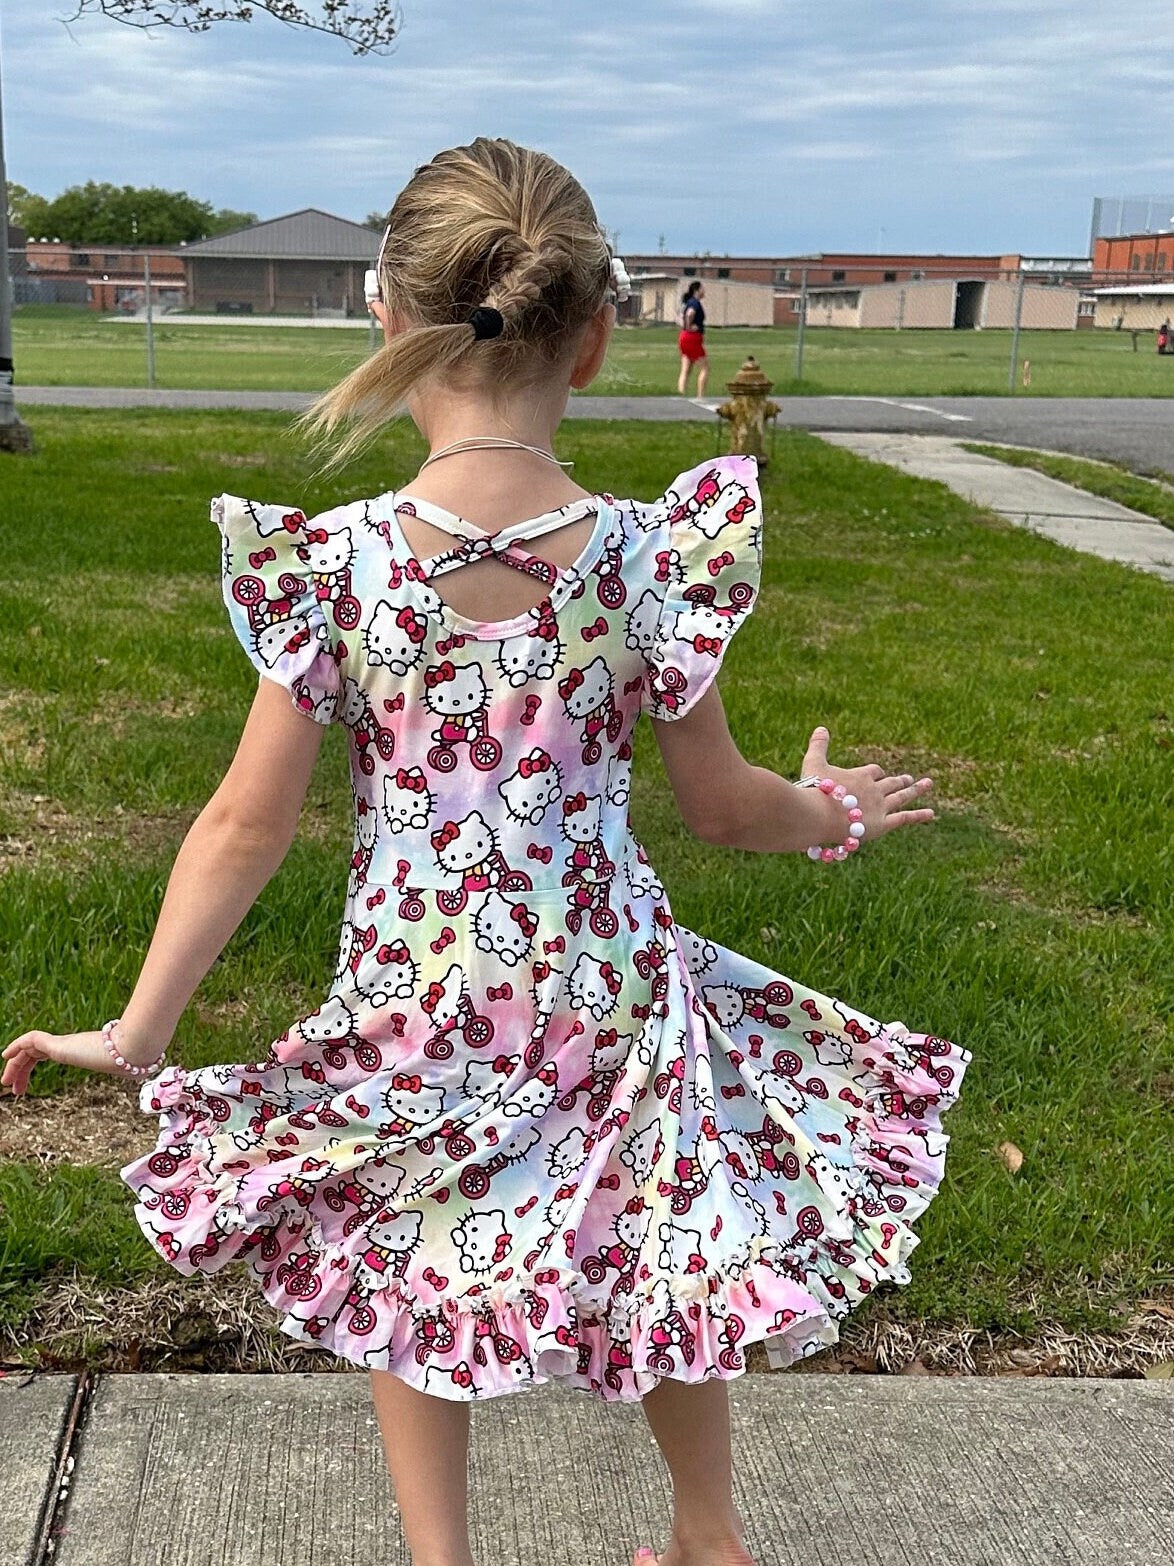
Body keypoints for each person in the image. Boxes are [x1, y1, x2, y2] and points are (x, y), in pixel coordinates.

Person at [2, 138, 969, 1566]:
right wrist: (833, 814)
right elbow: (719, 805)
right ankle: (708, 1534)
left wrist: (138, 1026)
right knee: (668, 1231)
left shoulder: (336, 567)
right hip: (611, 995)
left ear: (389, 322)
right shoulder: (649, 555)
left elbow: (244, 823)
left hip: (415, 1000)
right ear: (592, 340)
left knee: (411, 1253)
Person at [677, 279, 708, 396]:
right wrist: (689, 326)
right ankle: (701, 395)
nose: (704, 291)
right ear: (697, 290)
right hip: (692, 338)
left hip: (684, 337)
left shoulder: (688, 302)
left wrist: (685, 326)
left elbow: (682, 315)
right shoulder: (695, 303)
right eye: (702, 289)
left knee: (686, 369)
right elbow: (690, 314)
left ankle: (681, 393)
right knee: (705, 368)